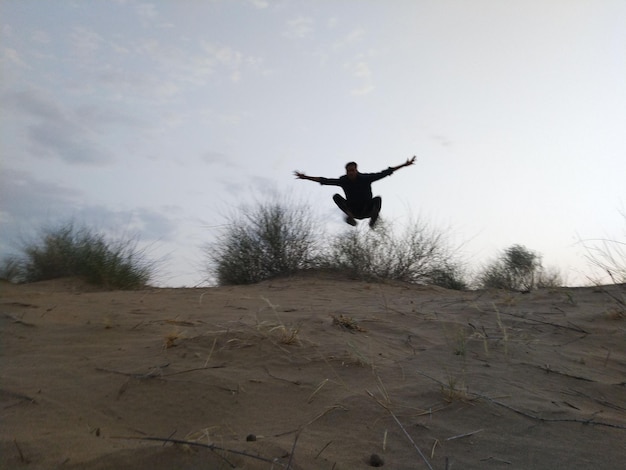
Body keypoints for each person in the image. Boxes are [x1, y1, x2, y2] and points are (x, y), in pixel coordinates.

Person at [294, 156, 416, 227]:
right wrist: (306, 177)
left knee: (378, 199)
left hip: (367, 209)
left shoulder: (366, 178)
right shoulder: (343, 181)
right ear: (346, 171)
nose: (350, 173)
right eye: (348, 171)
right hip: (354, 211)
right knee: (336, 196)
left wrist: (404, 165)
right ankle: (350, 216)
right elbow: (325, 180)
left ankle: (373, 218)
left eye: (352, 170)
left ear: (356, 170)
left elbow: (385, 172)